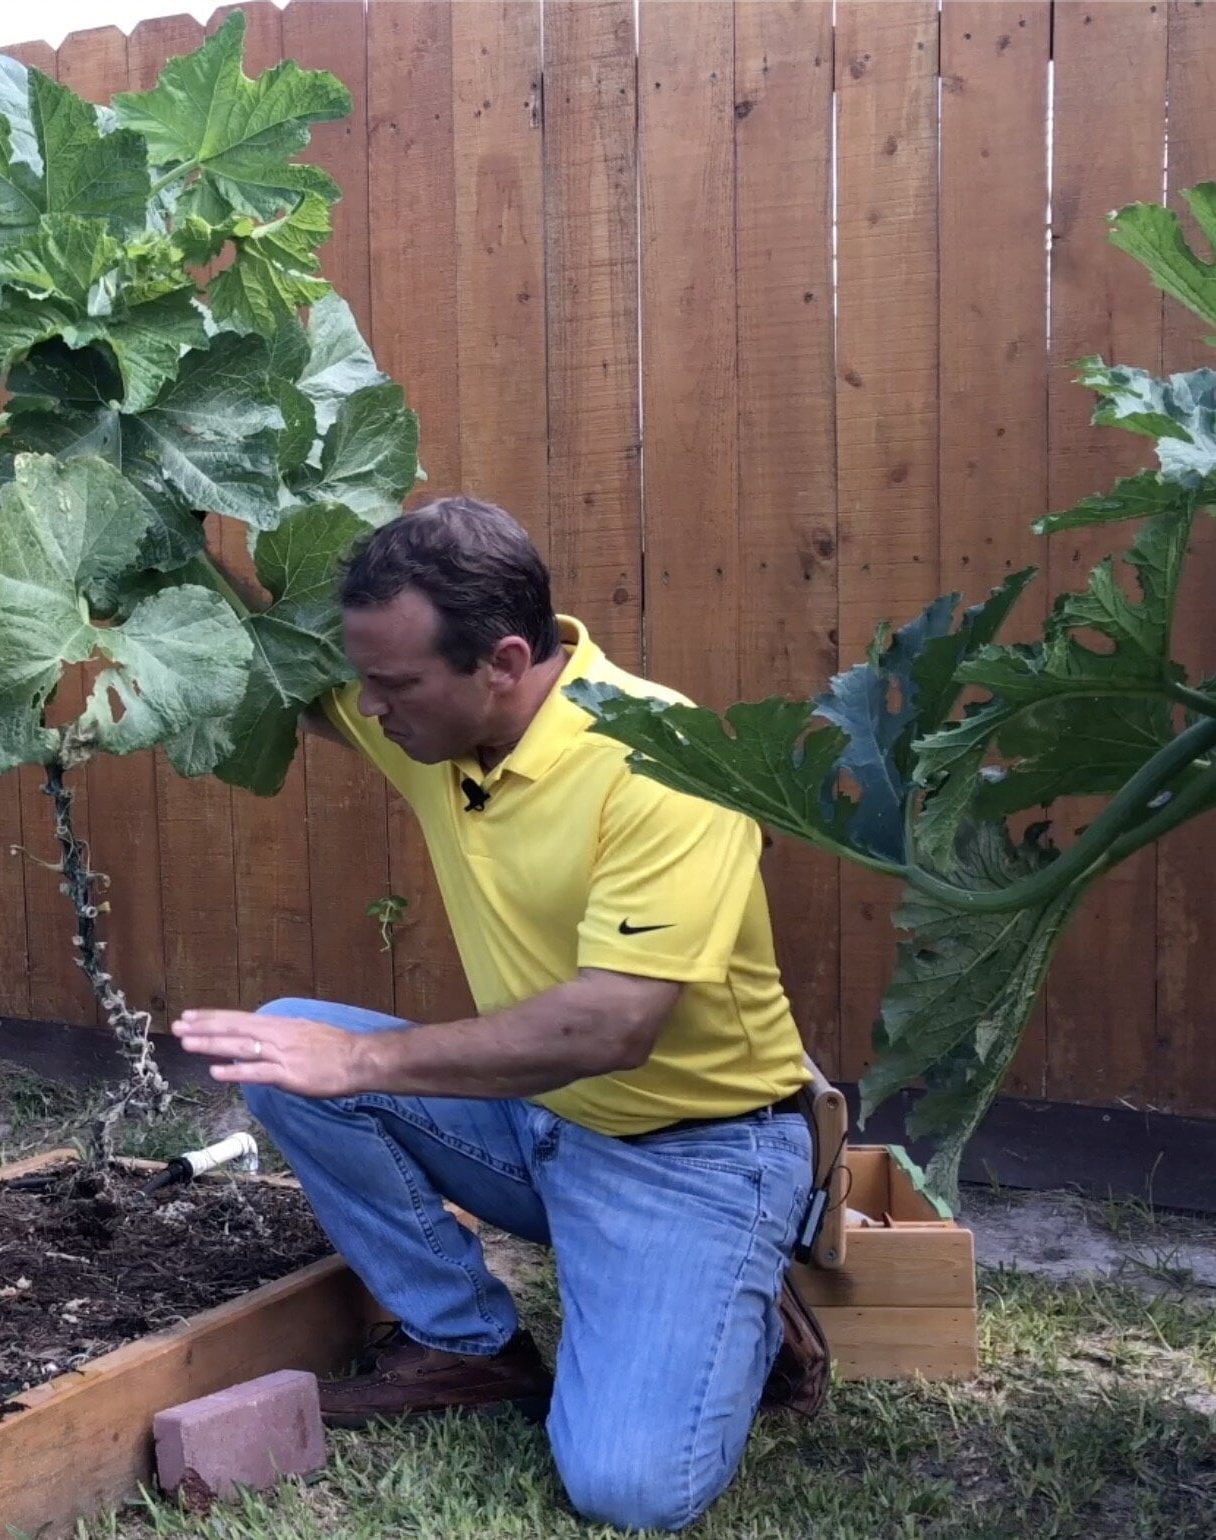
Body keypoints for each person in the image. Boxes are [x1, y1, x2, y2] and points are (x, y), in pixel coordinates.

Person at [172, 496, 826, 1534]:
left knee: (627, 1488)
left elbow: (612, 1026)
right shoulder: (437, 726)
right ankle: (468, 1343)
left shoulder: (663, 764)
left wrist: (360, 1058)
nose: (366, 708)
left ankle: (738, 1293)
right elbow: (288, 675)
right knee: (275, 1040)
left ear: (503, 661)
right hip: (539, 1120)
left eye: (391, 684)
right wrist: (174, 513)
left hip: (692, 1153)